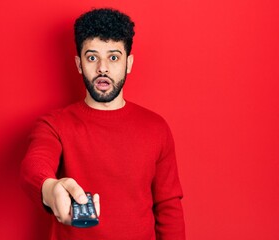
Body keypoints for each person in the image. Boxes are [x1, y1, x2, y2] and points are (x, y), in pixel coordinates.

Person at [21, 8, 185, 240]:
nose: (103, 68)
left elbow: (169, 207)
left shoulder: (156, 128)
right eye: (92, 57)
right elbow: (34, 164)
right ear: (79, 64)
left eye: (114, 57)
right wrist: (50, 189)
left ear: (128, 63)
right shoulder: (54, 124)